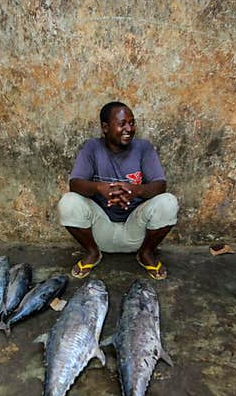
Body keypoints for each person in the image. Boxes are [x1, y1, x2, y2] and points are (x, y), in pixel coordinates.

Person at [58, 101, 179, 280]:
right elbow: (75, 183)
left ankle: (146, 254)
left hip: (136, 231)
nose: (129, 128)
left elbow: (160, 185)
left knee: (168, 201)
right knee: (68, 202)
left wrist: (135, 191)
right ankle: (92, 253)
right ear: (105, 127)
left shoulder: (143, 148)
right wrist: (100, 188)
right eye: (122, 123)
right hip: (101, 232)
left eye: (132, 122)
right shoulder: (92, 148)